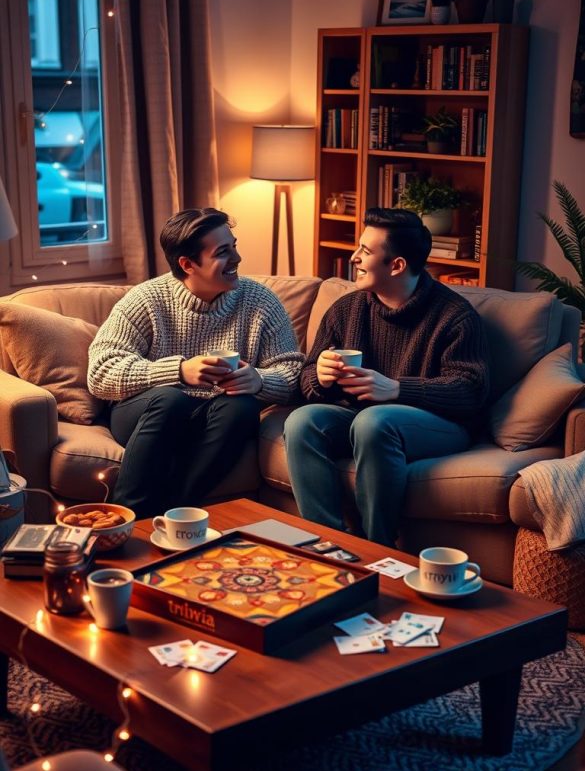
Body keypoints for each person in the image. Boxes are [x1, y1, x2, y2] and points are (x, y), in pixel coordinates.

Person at [283, 207, 490, 547]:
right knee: (302, 422)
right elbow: (305, 381)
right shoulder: (346, 309)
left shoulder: (454, 316)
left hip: (441, 425)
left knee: (374, 422)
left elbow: (471, 390)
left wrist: (396, 389)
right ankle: (327, 544)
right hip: (361, 417)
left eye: (365, 251)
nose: (354, 257)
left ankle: (375, 547)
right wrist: (319, 376)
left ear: (397, 265)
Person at [88, 208, 303, 517]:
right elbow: (100, 372)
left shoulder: (260, 302)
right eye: (223, 252)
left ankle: (176, 513)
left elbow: (294, 372)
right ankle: (126, 517)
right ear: (187, 264)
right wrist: (178, 371)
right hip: (149, 414)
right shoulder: (146, 299)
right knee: (170, 399)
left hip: (216, 420)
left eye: (234, 246)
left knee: (242, 407)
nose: (237, 258)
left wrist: (259, 380)